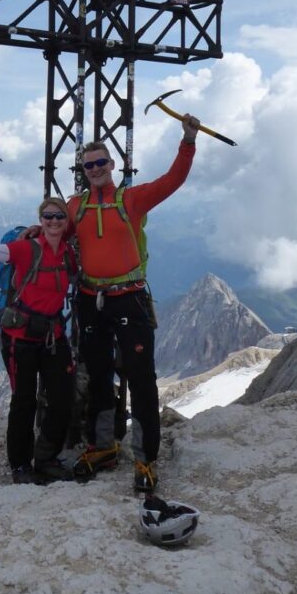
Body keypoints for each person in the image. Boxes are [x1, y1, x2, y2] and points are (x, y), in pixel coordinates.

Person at [68, 113, 200, 493]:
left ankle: (144, 458)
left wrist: (188, 141)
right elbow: (55, 228)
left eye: (100, 163)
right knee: (97, 375)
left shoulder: (132, 198)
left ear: (112, 166)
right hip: (91, 299)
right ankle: (103, 447)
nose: (94, 169)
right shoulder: (76, 207)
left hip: (129, 299)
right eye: (87, 164)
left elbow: (172, 180)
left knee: (141, 380)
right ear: (83, 170)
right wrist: (32, 231)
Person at [0, 193, 77, 485]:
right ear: (41, 220)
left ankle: (46, 458)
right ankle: (20, 464)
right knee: (24, 400)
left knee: (62, 397)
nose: (53, 221)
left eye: (59, 216)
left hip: (52, 336)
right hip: (19, 338)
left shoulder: (69, 254)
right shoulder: (25, 249)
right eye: (47, 216)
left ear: (66, 221)